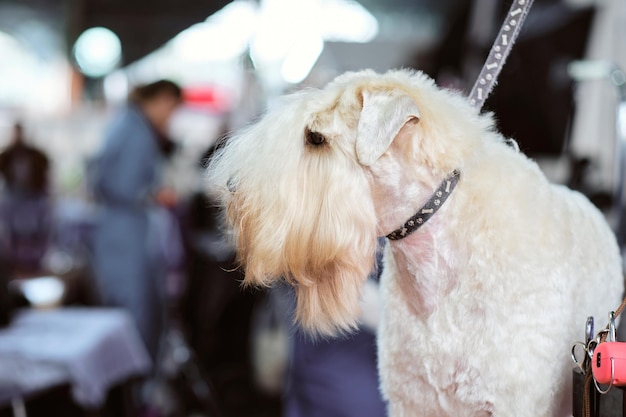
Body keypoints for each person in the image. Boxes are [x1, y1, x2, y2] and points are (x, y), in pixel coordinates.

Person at [90, 79, 183, 361]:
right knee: (134, 317)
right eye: (172, 109)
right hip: (125, 236)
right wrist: (155, 194)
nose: (171, 117)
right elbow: (122, 185)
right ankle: (135, 398)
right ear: (164, 99)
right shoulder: (136, 131)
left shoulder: (128, 124)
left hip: (119, 233)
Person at [0, 122, 52, 275]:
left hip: (37, 265)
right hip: (12, 266)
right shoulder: (6, 202)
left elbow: (48, 235)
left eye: (24, 164)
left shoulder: (41, 202)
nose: (21, 171)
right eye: (17, 165)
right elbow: (5, 238)